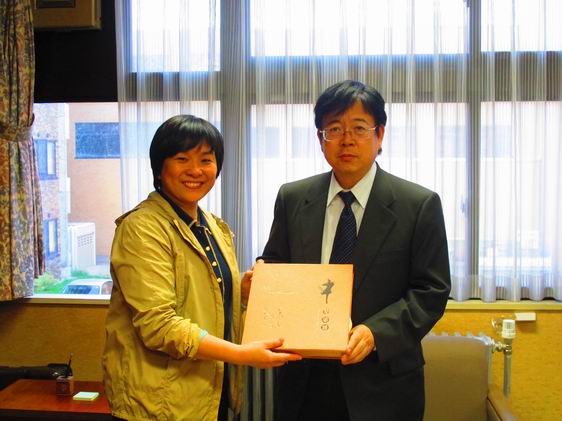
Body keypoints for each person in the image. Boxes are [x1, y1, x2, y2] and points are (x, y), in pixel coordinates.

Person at [260, 80, 451, 421]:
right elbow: (276, 263)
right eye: (334, 129)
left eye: (359, 128)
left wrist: (376, 332)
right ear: (320, 139)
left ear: (380, 135)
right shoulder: (293, 198)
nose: (347, 139)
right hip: (305, 380)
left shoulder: (418, 204)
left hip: (382, 380)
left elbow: (431, 291)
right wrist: (262, 280)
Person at [102, 114, 301, 421]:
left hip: (207, 394)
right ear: (159, 167)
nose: (195, 170)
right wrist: (241, 354)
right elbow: (159, 326)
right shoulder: (142, 228)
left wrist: (241, 293)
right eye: (182, 159)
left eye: (206, 160)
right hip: (157, 404)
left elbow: (207, 304)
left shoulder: (213, 227)